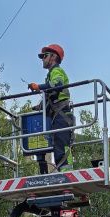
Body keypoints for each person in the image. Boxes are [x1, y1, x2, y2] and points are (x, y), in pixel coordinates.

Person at [28, 44, 75, 174]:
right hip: (57, 115)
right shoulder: (50, 75)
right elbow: (51, 95)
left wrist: (39, 86)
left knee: (62, 146)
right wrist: (40, 106)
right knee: (57, 145)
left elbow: (57, 85)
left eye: (45, 56)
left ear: (53, 57)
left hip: (62, 115)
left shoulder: (56, 71)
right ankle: (61, 171)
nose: (42, 59)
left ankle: (66, 172)